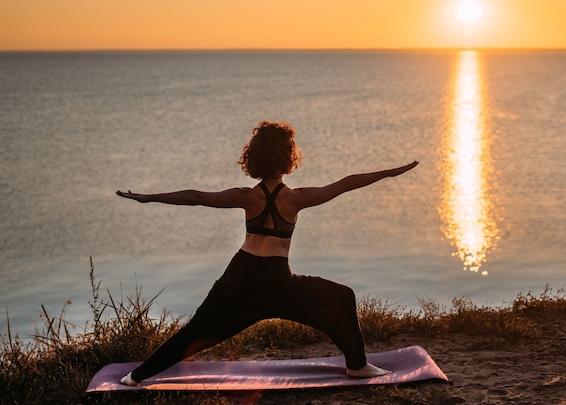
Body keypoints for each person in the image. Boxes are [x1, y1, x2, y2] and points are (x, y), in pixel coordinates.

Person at [116, 120, 418, 386]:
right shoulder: (297, 199)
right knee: (342, 297)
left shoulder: (246, 197)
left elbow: (196, 197)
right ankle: (357, 366)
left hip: (239, 276)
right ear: (289, 157)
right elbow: (346, 183)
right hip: (277, 281)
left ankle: (136, 377)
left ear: (256, 157)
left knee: (196, 331)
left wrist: (149, 198)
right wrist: (391, 173)